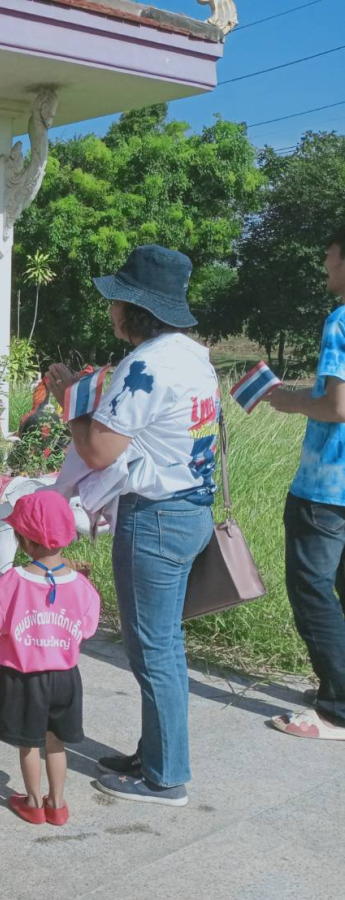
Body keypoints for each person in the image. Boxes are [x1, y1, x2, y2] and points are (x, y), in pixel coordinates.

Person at [45, 244, 219, 806]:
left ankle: (165, 777)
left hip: (156, 518)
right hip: (191, 509)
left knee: (155, 649)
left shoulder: (144, 365)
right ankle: (155, 753)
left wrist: (67, 398)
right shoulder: (194, 356)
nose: (111, 309)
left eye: (116, 299)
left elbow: (97, 449)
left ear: (135, 307)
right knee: (162, 644)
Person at [0, 492, 101, 826]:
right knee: (55, 742)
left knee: (29, 743)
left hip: (23, 676)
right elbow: (87, 627)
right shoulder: (81, 585)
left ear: (24, 542)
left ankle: (32, 802)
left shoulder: (13, 581)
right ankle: (57, 804)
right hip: (65, 676)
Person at [266, 222, 345, 740]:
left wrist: (287, 399)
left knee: (312, 588)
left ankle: (336, 707)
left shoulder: (340, 320)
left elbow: (336, 407)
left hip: (327, 487)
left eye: (330, 255)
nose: (325, 263)